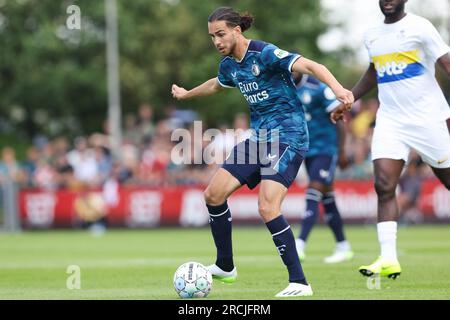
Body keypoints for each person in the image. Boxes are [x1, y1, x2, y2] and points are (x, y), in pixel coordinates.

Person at [172, 7, 353, 297]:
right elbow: (217, 86)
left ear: (236, 31)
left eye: (221, 34)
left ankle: (300, 282)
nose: (217, 41)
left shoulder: (264, 53)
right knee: (213, 194)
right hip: (260, 138)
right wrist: (186, 93)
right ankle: (226, 265)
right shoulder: (229, 64)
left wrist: (339, 88)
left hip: (289, 137)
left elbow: (311, 66)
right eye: (212, 37)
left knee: (267, 207)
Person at [331, 0, 450, 279]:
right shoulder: (371, 34)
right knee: (384, 185)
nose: (388, 0)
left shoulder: (420, 27)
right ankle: (388, 258)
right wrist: (350, 98)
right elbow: (374, 72)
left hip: (427, 119)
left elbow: (446, 63)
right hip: (391, 120)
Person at [293, 73, 354, 263]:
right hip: (307, 150)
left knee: (314, 188)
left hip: (326, 149)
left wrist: (342, 150)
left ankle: (300, 242)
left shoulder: (317, 88)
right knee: (327, 197)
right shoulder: (287, 88)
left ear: (299, 71)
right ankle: (343, 246)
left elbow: (339, 118)